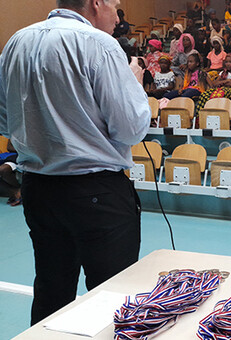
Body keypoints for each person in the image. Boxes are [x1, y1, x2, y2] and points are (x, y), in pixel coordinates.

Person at [0, 0, 150, 324]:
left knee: (51, 294)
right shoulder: (99, 45)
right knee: (113, 298)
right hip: (95, 191)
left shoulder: (16, 42)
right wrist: (135, 82)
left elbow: (3, 120)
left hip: (39, 189)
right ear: (96, 3)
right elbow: (131, 128)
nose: (118, 10)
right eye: (114, 3)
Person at [0, 139, 20, 206]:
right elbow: (9, 147)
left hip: (21, 157)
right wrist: (23, 149)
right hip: (11, 156)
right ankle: (16, 192)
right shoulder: (15, 130)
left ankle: (18, 192)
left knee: (3, 169)